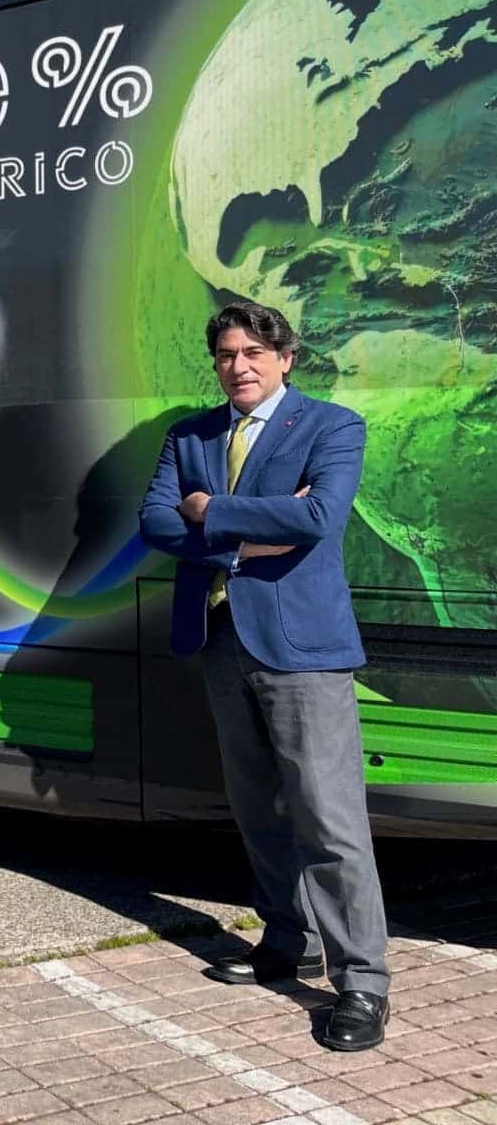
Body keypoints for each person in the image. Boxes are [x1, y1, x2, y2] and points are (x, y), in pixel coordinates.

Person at [138, 300, 389, 1053]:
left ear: (285, 358)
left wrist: (210, 510)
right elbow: (155, 523)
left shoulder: (333, 426)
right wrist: (250, 537)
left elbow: (320, 521)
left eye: (253, 352)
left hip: (303, 648)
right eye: (225, 355)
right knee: (257, 808)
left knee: (329, 818)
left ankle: (363, 984)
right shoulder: (191, 435)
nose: (238, 366)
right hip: (220, 640)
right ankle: (289, 939)